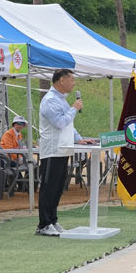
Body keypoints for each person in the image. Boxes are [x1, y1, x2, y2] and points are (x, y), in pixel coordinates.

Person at [36, 69, 85, 237]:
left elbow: (68, 125)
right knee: (48, 187)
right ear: (62, 80)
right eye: (71, 80)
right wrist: (74, 108)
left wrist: (79, 139)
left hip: (63, 149)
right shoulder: (50, 100)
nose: (74, 83)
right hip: (52, 150)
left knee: (57, 187)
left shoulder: (61, 100)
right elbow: (60, 122)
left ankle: (53, 220)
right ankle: (43, 224)